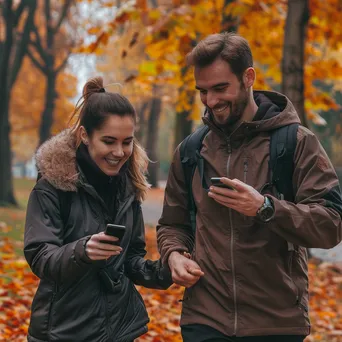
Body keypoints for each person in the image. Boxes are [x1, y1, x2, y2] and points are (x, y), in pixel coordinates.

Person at [157, 32, 342, 342]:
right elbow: (172, 224)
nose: (211, 101)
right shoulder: (190, 151)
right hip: (205, 319)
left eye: (220, 88)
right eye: (202, 91)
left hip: (276, 322)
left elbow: (332, 224)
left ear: (248, 77)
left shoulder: (295, 143)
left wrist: (266, 208)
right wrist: (174, 255)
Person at [24, 76, 172, 342]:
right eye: (109, 141)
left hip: (120, 330)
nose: (119, 151)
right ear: (85, 135)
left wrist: (168, 269)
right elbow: (41, 256)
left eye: (127, 142)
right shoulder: (52, 187)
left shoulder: (129, 188)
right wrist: (83, 251)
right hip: (64, 331)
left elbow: (131, 259)